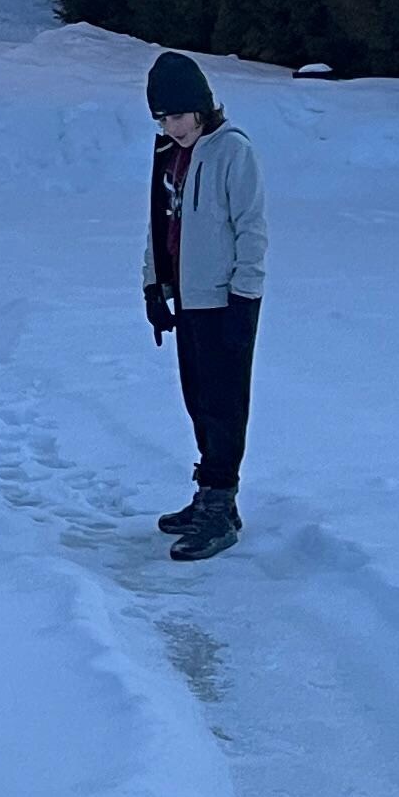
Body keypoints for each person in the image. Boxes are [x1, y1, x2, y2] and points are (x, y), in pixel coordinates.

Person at [138, 50, 266, 563]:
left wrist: (244, 297)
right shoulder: (169, 154)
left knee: (223, 402)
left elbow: (251, 228)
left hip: (226, 300)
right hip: (188, 298)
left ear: (202, 108)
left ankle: (222, 501)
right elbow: (159, 223)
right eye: (163, 117)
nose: (172, 125)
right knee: (197, 399)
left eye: (178, 115)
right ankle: (210, 494)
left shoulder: (233, 152)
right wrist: (154, 286)